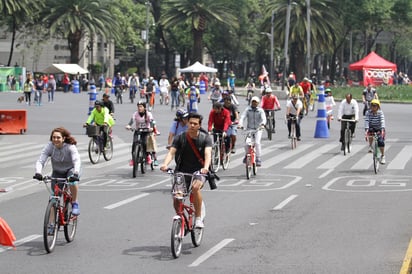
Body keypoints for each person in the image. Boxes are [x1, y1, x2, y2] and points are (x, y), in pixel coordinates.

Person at [160, 113, 212, 228]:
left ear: (199, 125)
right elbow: (171, 152)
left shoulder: (205, 138)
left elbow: (208, 154)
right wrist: (165, 164)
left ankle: (198, 218)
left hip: (199, 172)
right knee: (176, 197)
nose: (192, 125)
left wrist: (206, 168)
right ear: (187, 123)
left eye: (195, 124)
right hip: (182, 171)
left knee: (195, 188)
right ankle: (181, 217)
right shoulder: (180, 137)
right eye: (190, 123)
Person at [34, 127, 81, 216]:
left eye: (58, 137)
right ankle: (51, 225)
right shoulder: (50, 146)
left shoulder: (70, 147)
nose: (55, 140)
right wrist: (38, 172)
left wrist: (76, 173)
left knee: (72, 183)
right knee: (53, 198)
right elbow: (41, 160)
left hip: (71, 170)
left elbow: (76, 160)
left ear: (63, 138)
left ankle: (75, 203)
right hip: (57, 171)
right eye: (53, 137)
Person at [125, 101, 157, 165]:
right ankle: (133, 159)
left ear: (144, 107)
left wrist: (151, 128)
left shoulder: (148, 114)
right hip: (138, 130)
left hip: (146, 131)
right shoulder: (135, 114)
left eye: (141, 107)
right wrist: (129, 125)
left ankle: (148, 156)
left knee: (145, 143)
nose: (139, 108)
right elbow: (131, 121)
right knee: (134, 143)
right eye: (138, 107)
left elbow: (151, 121)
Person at [238, 96, 266, 166]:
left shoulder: (260, 110)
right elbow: (242, 117)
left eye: (255, 102)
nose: (254, 103)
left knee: (257, 143)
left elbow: (264, 119)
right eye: (253, 102)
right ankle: (246, 155)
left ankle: (258, 158)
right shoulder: (248, 109)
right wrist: (240, 124)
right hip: (249, 129)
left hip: (258, 129)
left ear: (258, 103)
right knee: (246, 144)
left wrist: (262, 124)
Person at [365, 99, 386, 164]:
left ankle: (383, 156)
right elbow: (367, 121)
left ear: (378, 106)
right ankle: (370, 146)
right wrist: (366, 129)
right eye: (372, 105)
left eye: (375, 106)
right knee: (370, 134)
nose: (373, 107)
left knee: (381, 142)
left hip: (379, 128)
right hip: (371, 127)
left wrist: (382, 129)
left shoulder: (380, 112)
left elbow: (382, 120)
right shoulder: (368, 112)